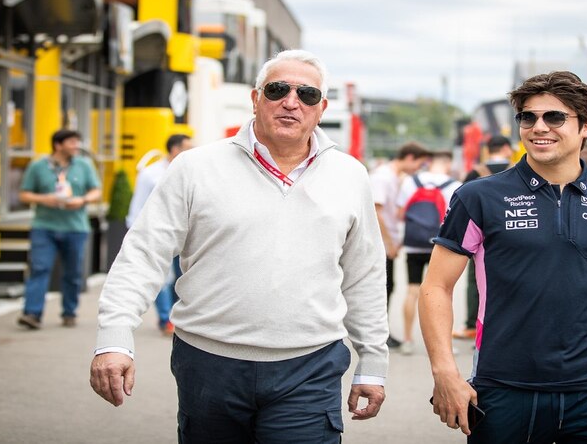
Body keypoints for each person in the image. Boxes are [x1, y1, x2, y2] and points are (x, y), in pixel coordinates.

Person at [89, 50, 388, 442]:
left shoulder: (350, 175)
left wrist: (373, 361)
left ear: (321, 108)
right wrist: (114, 337)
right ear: (255, 98)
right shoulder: (195, 168)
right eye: (278, 89)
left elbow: (364, 272)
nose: (291, 102)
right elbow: (143, 255)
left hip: (310, 367)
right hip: (209, 365)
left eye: (307, 94)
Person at [419, 71, 587, 441]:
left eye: (554, 117)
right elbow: (436, 286)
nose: (538, 127)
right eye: (528, 117)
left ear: (585, 128)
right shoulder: (478, 197)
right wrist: (445, 372)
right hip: (503, 385)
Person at [17, 130, 102, 329]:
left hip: (76, 227)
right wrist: (44, 199)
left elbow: (96, 191)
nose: (76, 145)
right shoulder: (38, 166)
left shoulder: (84, 165)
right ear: (58, 145)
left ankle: (69, 312)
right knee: (39, 268)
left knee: (72, 273)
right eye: (72, 142)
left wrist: (82, 200)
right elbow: (24, 194)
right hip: (44, 226)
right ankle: (32, 313)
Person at [126, 134, 192, 336]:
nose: (192, 150)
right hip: (158, 233)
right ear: (174, 149)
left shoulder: (192, 170)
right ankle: (166, 319)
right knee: (162, 279)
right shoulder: (150, 174)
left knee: (181, 277)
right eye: (187, 147)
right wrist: (135, 235)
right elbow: (138, 205)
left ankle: (175, 316)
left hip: (186, 234)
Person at [396, 150, 461, 354]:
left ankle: (407, 339)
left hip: (413, 244)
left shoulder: (410, 181)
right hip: (440, 245)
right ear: (448, 164)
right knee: (443, 292)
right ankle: (445, 344)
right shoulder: (454, 186)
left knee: (412, 290)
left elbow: (400, 213)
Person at [369, 141, 432, 348]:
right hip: (379, 242)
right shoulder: (383, 177)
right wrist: (389, 243)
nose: (418, 169)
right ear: (410, 158)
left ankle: (382, 333)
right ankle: (376, 336)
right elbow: (376, 212)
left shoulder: (396, 177)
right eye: (419, 164)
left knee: (388, 286)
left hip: (388, 242)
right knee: (381, 288)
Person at [457, 135, 513, 339]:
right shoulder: (519, 169)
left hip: (479, 235)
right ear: (506, 148)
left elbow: (461, 201)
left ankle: (473, 323)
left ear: (488, 150)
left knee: (475, 279)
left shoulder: (475, 172)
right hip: (514, 234)